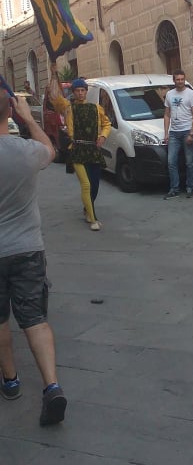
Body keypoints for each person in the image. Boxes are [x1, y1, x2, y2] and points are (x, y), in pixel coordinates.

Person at [0, 90, 67, 425]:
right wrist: (27, 116)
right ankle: (51, 385)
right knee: (35, 320)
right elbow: (51, 149)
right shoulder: (26, 152)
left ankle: (11, 381)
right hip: (27, 248)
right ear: (8, 111)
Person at [48, 66, 111, 230]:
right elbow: (55, 96)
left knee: (95, 186)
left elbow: (107, 124)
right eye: (78, 90)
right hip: (76, 149)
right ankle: (93, 219)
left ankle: (87, 208)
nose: (81, 93)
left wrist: (103, 136)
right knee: (86, 184)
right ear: (74, 92)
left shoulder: (96, 108)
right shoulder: (68, 107)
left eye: (83, 90)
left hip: (93, 150)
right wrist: (54, 74)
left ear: (86, 91)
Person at [163, 69, 193, 199]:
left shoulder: (190, 94)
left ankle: (190, 187)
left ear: (184, 79)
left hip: (187, 131)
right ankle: (174, 188)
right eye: (177, 79)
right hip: (174, 133)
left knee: (189, 162)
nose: (180, 82)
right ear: (174, 80)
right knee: (171, 161)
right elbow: (167, 115)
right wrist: (166, 133)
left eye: (182, 79)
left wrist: (192, 133)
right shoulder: (169, 94)